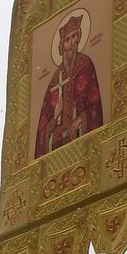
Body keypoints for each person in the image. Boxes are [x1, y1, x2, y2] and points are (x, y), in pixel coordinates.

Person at [33, 11, 104, 158]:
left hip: (81, 143)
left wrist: (80, 118)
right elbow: (42, 128)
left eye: (74, 37)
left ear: (79, 38)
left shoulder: (86, 66)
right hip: (58, 150)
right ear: (61, 46)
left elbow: (95, 105)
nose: (71, 43)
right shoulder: (54, 81)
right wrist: (55, 117)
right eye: (67, 40)